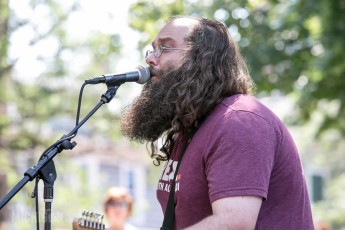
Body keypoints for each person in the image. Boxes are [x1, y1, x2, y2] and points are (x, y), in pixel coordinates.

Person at [120, 15, 314, 229]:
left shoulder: (239, 120)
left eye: (165, 48)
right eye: (152, 49)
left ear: (201, 59)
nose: (150, 59)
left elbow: (233, 224)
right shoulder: (190, 129)